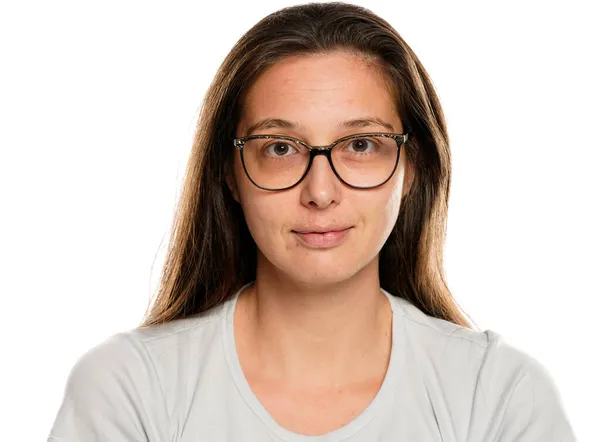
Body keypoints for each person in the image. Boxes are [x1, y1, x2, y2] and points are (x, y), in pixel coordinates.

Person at [47, 2, 576, 441]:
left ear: (411, 168)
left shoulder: (499, 395)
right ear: (230, 174)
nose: (320, 192)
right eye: (280, 147)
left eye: (361, 145)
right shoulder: (129, 389)